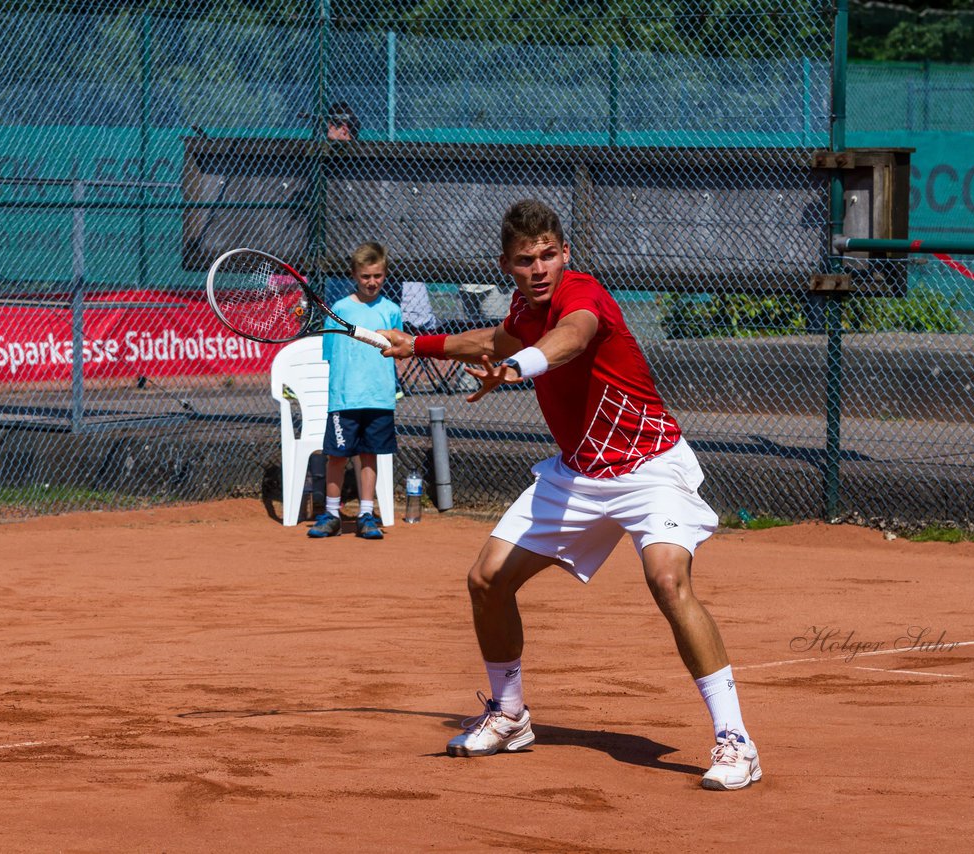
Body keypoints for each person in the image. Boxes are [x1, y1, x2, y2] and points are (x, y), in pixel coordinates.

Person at [377, 200, 759, 791]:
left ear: (566, 255)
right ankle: (509, 715)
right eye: (527, 259)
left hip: (648, 468)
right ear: (507, 264)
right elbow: (499, 336)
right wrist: (419, 346)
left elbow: (571, 340)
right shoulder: (523, 310)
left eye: (549, 255)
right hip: (578, 474)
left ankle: (736, 742)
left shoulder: (584, 295)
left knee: (667, 579)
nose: (539, 267)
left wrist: (513, 370)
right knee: (486, 580)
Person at [308, 242, 402, 540]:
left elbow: (397, 352)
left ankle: (365, 514)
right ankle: (332, 514)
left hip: (379, 399)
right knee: (336, 457)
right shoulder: (339, 310)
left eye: (377, 276)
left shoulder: (392, 311)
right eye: (365, 276)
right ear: (354, 275)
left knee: (369, 455)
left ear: (385, 274)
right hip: (344, 399)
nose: (372, 282)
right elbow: (329, 354)